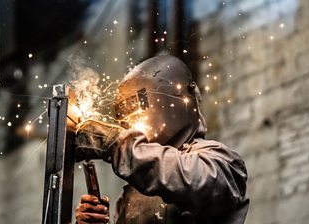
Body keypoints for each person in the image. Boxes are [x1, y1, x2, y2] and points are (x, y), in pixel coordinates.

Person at [74, 55, 249, 224]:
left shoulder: (222, 164)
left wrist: (113, 142)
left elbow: (183, 178)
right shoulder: (134, 191)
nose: (131, 120)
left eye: (139, 105)